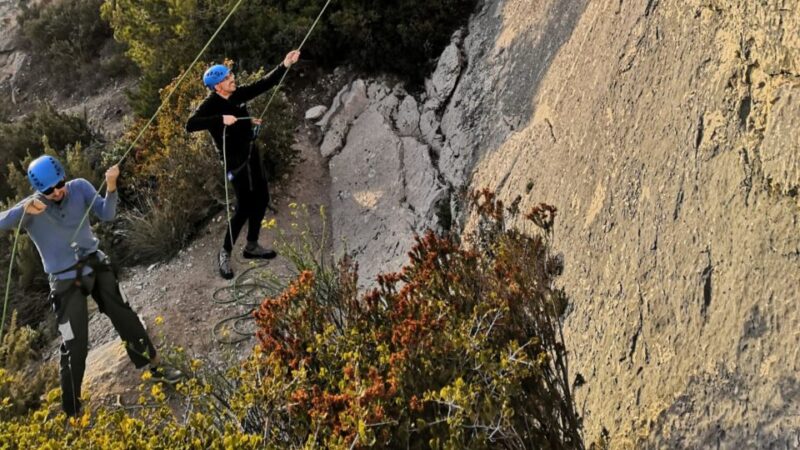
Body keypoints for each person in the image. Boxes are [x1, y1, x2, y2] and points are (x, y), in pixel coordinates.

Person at [0, 155, 182, 417]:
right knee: (73, 343)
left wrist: (111, 186)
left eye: (59, 183)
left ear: (63, 175)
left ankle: (156, 366)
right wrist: (24, 208)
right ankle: (72, 409)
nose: (57, 191)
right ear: (39, 188)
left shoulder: (80, 187)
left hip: (96, 267)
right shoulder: (33, 207)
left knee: (125, 316)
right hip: (63, 283)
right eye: (49, 189)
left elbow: (107, 214)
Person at [186, 49, 300, 279]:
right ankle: (225, 252)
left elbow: (263, 84)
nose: (232, 79)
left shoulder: (237, 94)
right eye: (227, 78)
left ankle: (252, 246)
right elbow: (191, 124)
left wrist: (284, 64)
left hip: (251, 152)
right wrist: (220, 119)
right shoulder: (211, 104)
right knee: (244, 207)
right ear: (218, 86)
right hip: (235, 162)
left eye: (231, 75)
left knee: (263, 197)